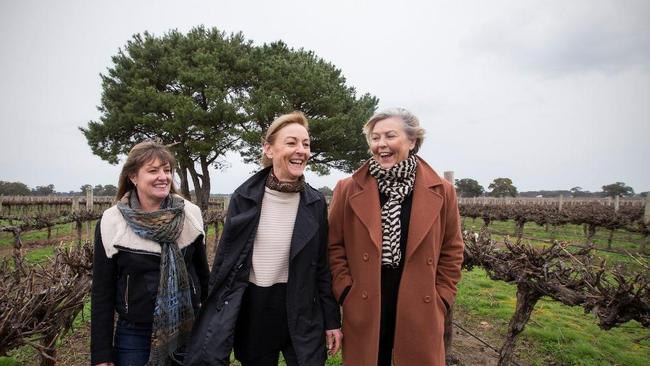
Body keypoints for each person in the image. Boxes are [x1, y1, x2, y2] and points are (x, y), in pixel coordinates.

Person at [185, 112, 342, 366]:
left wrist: (332, 320)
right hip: (256, 311)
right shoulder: (243, 198)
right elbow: (226, 263)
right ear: (269, 149)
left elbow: (322, 268)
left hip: (302, 309)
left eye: (306, 144)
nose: (301, 150)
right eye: (291, 143)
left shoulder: (314, 204)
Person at [328, 108, 464, 366]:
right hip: (365, 299)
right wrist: (346, 290)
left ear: (412, 141)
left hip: (420, 300)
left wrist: (442, 297)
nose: (381, 145)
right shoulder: (347, 189)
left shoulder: (443, 191)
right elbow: (334, 246)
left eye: (390, 136)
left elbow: (452, 249)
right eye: (375, 138)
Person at [91, 140, 209, 366]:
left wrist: (213, 326)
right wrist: (101, 355)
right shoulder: (112, 221)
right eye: (153, 170)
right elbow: (102, 292)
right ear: (133, 176)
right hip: (134, 335)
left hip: (188, 327)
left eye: (167, 170)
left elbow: (203, 276)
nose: (163, 177)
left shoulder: (190, 214)